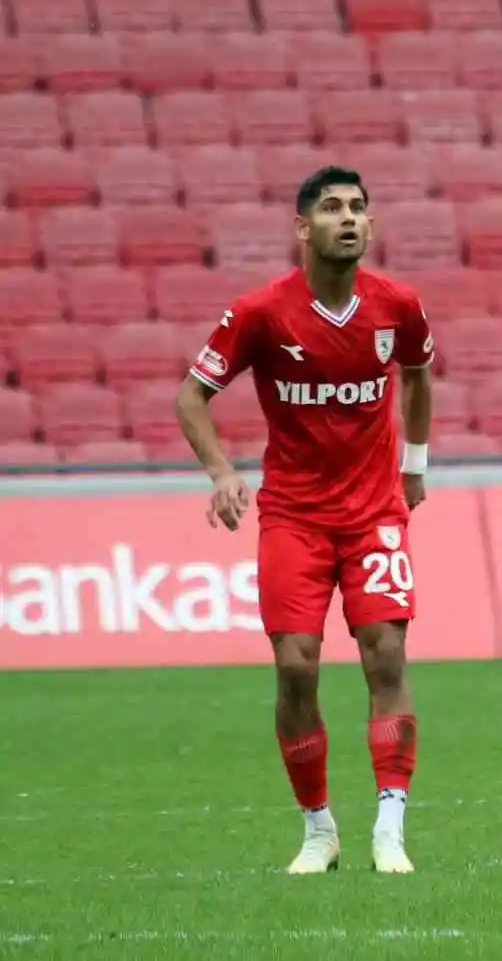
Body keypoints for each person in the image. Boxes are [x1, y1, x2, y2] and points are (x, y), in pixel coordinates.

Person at [174, 166, 434, 875]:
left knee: (385, 653)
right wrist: (224, 473)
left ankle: (390, 826)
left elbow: (417, 373)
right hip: (294, 515)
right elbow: (191, 396)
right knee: (296, 668)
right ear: (302, 228)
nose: (348, 219)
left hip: (375, 510)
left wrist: (414, 463)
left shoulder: (398, 306)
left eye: (358, 208)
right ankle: (319, 828)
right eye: (331, 208)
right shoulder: (260, 313)